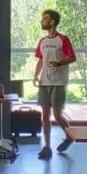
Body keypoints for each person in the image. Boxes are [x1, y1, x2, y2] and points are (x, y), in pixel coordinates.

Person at [32, 9, 76, 159]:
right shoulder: (42, 42)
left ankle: (70, 136)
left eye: (44, 19)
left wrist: (59, 62)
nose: (42, 21)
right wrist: (36, 76)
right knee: (45, 116)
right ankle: (47, 147)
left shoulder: (63, 39)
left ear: (52, 22)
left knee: (57, 115)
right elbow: (40, 60)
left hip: (58, 82)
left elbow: (72, 57)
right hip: (44, 82)